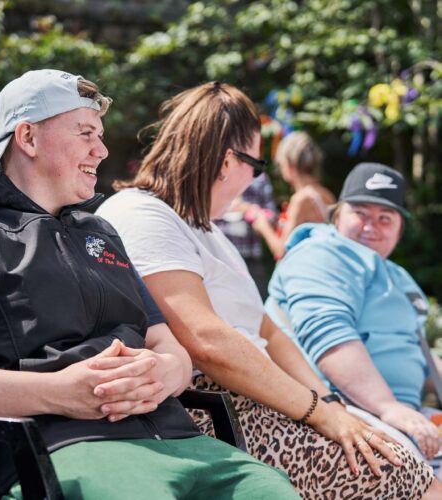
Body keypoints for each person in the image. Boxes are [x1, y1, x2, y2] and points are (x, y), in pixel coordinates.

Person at [0, 70, 300, 500]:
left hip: (178, 442)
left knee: (270, 490)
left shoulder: (103, 234)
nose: (102, 149)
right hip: (60, 448)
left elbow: (168, 346)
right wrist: (56, 393)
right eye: (86, 132)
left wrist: (168, 372)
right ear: (28, 138)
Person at [96, 81, 441, 498]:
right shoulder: (142, 215)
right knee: (400, 472)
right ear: (227, 161)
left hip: (265, 395)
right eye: (256, 167)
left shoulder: (207, 231)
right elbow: (206, 340)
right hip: (214, 407)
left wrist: (330, 403)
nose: (255, 179)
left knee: (406, 461)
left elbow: (270, 333)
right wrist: (321, 413)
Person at [265, 162, 442, 465]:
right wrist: (389, 407)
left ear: (399, 229)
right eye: (359, 213)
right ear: (336, 216)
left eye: (385, 218)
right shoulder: (321, 253)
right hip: (336, 413)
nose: (371, 225)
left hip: (407, 415)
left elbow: (419, 356)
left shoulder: (396, 275)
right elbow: (329, 335)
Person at [249, 131, 336, 260]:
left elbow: (282, 250)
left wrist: (263, 227)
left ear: (290, 164)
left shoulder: (300, 200)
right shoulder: (326, 194)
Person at [215, 173, 276, 299]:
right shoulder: (217, 173)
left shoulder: (259, 178)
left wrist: (252, 211)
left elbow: (272, 217)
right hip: (222, 258)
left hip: (250, 259)